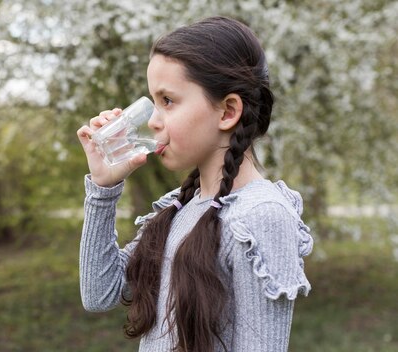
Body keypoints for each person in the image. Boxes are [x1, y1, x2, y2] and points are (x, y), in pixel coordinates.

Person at [76, 16, 313, 352]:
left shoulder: (261, 216)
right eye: (153, 102)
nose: (154, 121)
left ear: (228, 111)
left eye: (168, 101)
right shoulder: (180, 205)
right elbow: (100, 293)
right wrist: (102, 189)